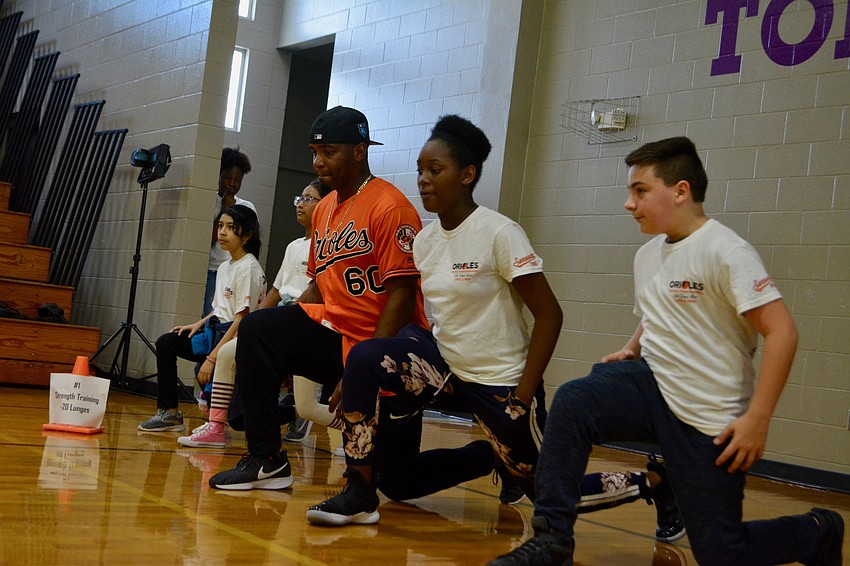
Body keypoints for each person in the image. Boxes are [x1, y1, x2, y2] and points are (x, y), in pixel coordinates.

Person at [306, 116, 683, 535]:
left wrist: (522, 395)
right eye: (420, 170)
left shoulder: (499, 233)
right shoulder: (425, 242)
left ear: (467, 175)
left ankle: (657, 481)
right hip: (447, 372)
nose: (423, 180)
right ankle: (359, 490)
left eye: (435, 170)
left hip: (499, 383)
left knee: (551, 495)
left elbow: (550, 314)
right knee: (365, 357)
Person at [487, 136, 845, 566]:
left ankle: (818, 530)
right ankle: (552, 538)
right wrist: (631, 347)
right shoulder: (648, 254)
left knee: (721, 553)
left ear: (680, 191)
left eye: (640, 191)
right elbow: (661, 308)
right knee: (574, 401)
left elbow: (782, 331)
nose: (629, 203)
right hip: (653, 386)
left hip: (708, 415)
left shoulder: (727, 252)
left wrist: (757, 419)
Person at [207, 106, 431, 491]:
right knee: (259, 329)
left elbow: (403, 296)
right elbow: (316, 286)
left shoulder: (391, 207)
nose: (318, 162)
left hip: (387, 346)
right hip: (337, 334)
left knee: (398, 482)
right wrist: (281, 343)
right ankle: (267, 460)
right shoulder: (324, 209)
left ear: (359, 151)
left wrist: (364, 365)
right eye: (314, 152)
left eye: (329, 152)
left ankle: (490, 457)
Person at [177, 181, 328, 447]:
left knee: (308, 407)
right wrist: (255, 322)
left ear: (326, 205)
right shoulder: (294, 246)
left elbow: (315, 289)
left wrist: (283, 319)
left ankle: (349, 427)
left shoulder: (326, 244)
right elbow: (276, 290)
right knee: (228, 355)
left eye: (309, 199)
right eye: (300, 198)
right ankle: (216, 427)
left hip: (306, 321)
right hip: (283, 318)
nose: (301, 204)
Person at [139, 205, 266, 432]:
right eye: (220, 226)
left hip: (235, 340)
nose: (222, 232)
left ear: (246, 235)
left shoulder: (249, 268)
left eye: (230, 227)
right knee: (167, 342)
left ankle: (294, 412)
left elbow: (241, 320)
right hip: (215, 333)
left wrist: (212, 358)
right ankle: (169, 413)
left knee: (239, 420)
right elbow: (220, 308)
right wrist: (198, 324)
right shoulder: (225, 266)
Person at [204, 147, 255, 317]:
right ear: (219, 175)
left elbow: (252, 245)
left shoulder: (246, 207)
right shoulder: (208, 200)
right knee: (210, 317)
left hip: (235, 271)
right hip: (211, 270)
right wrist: (225, 209)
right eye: (227, 177)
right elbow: (207, 242)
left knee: (229, 317)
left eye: (237, 180)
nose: (232, 184)